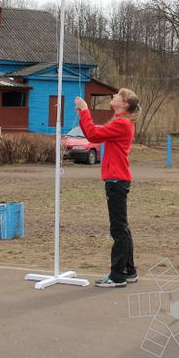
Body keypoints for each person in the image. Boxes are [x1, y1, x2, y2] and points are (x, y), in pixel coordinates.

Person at [73, 89, 141, 288]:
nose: (114, 96)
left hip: (116, 181)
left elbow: (93, 134)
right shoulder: (120, 122)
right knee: (123, 228)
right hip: (118, 180)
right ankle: (129, 271)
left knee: (118, 229)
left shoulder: (122, 123)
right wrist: (82, 114)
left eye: (119, 95)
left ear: (125, 104)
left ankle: (117, 276)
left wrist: (85, 111)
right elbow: (94, 132)